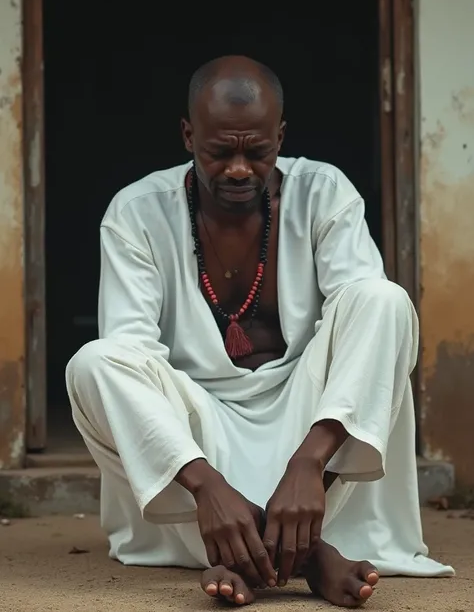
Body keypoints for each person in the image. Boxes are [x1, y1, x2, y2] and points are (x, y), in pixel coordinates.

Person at [66, 55, 453, 608]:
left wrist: (307, 463)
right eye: (220, 151)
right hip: (198, 429)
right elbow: (130, 351)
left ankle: (242, 551)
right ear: (186, 135)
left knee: (383, 300)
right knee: (96, 363)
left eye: (258, 150)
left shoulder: (324, 193)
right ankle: (302, 552)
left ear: (282, 136)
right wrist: (207, 485)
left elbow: (368, 315)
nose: (240, 169)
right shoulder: (135, 213)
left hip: (310, 421)